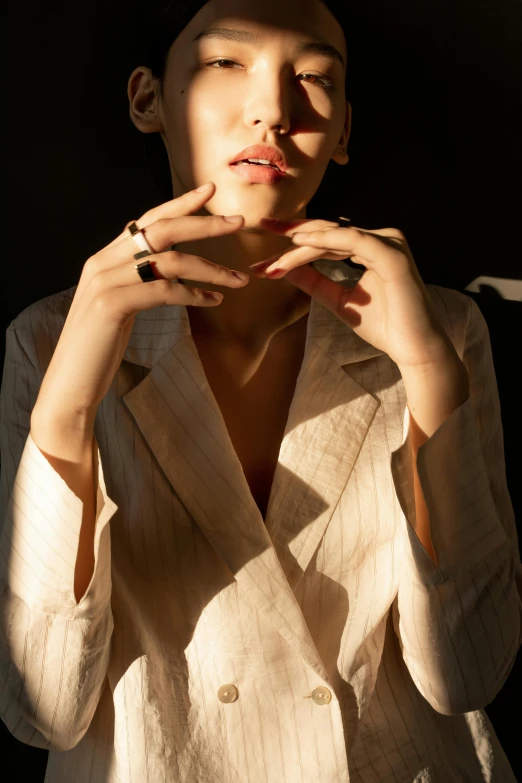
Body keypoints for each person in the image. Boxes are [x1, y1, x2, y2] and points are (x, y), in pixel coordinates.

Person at [1, 0, 520, 780]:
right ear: (150, 100)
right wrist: (68, 408)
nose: (274, 110)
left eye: (313, 77)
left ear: (342, 130)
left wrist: (431, 374)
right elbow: (41, 709)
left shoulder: (444, 330)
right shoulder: (47, 339)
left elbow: (466, 676)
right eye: (225, 61)